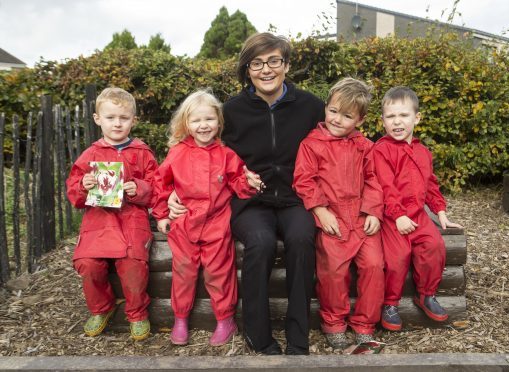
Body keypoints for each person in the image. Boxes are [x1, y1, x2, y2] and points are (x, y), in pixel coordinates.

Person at [168, 32, 325, 355]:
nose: (266, 69)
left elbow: (336, 144)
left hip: (296, 198)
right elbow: (193, 148)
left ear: (286, 65)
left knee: (301, 239)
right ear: (247, 69)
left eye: (274, 61)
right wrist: (172, 190)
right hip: (249, 201)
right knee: (261, 242)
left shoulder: (310, 106)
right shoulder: (231, 111)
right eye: (257, 63)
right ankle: (258, 334)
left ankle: (299, 335)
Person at [151, 90, 263, 347]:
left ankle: (225, 319)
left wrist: (249, 183)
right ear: (186, 123)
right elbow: (161, 184)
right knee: (183, 272)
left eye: (209, 119)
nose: (203, 126)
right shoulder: (177, 153)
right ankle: (180, 318)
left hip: (216, 224)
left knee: (219, 272)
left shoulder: (226, 155)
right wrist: (162, 214)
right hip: (185, 224)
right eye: (196, 120)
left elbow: (237, 182)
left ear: (219, 122)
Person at [293, 77, 384, 350]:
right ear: (326, 107)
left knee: (374, 265)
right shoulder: (312, 144)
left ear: (360, 119)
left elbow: (373, 179)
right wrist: (321, 211)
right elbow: (304, 180)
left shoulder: (365, 146)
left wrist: (373, 212)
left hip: (360, 217)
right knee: (333, 271)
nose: (336, 119)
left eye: (346, 116)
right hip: (331, 217)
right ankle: (333, 322)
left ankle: (364, 324)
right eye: (333, 111)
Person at [66, 87, 157, 341]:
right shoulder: (91, 154)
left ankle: (137, 313)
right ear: (98, 119)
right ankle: (101, 308)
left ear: (133, 121)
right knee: (88, 263)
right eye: (110, 117)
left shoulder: (142, 152)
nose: (117, 123)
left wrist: (138, 188)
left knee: (133, 266)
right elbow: (73, 191)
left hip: (131, 220)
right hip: (99, 220)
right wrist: (83, 186)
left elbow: (157, 185)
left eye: (124, 118)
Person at [373, 86, 463, 332]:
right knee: (397, 257)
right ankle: (390, 304)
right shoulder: (381, 150)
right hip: (392, 217)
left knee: (435, 246)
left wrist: (441, 212)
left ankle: (425, 294)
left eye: (403, 115)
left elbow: (431, 185)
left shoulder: (423, 152)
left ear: (417, 118)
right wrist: (398, 215)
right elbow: (385, 186)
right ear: (383, 121)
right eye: (391, 117)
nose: (397, 122)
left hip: (419, 215)